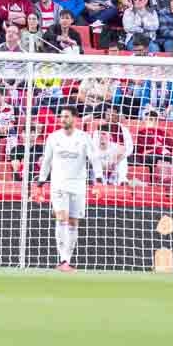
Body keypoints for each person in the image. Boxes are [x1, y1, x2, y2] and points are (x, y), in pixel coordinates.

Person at [38, 108, 100, 271]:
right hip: (58, 184)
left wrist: (98, 179)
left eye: (66, 116)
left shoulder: (84, 138)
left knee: (73, 221)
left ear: (75, 118)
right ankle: (63, 260)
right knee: (61, 218)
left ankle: (67, 259)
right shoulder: (54, 137)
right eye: (61, 116)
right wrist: (40, 181)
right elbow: (47, 160)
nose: (62, 119)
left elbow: (94, 158)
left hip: (78, 184)